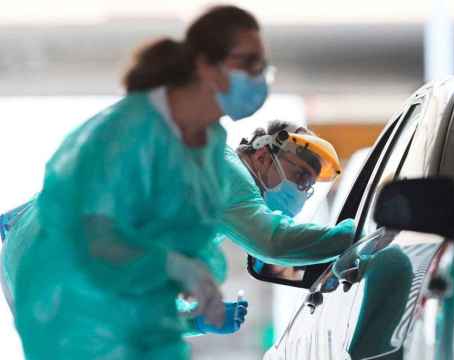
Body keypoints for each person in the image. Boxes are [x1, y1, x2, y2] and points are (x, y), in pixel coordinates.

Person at [2, 6, 354, 360]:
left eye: (309, 186)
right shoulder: (224, 172)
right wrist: (353, 236)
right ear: (263, 156)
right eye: (299, 177)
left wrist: (197, 320)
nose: (302, 193)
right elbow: (273, 241)